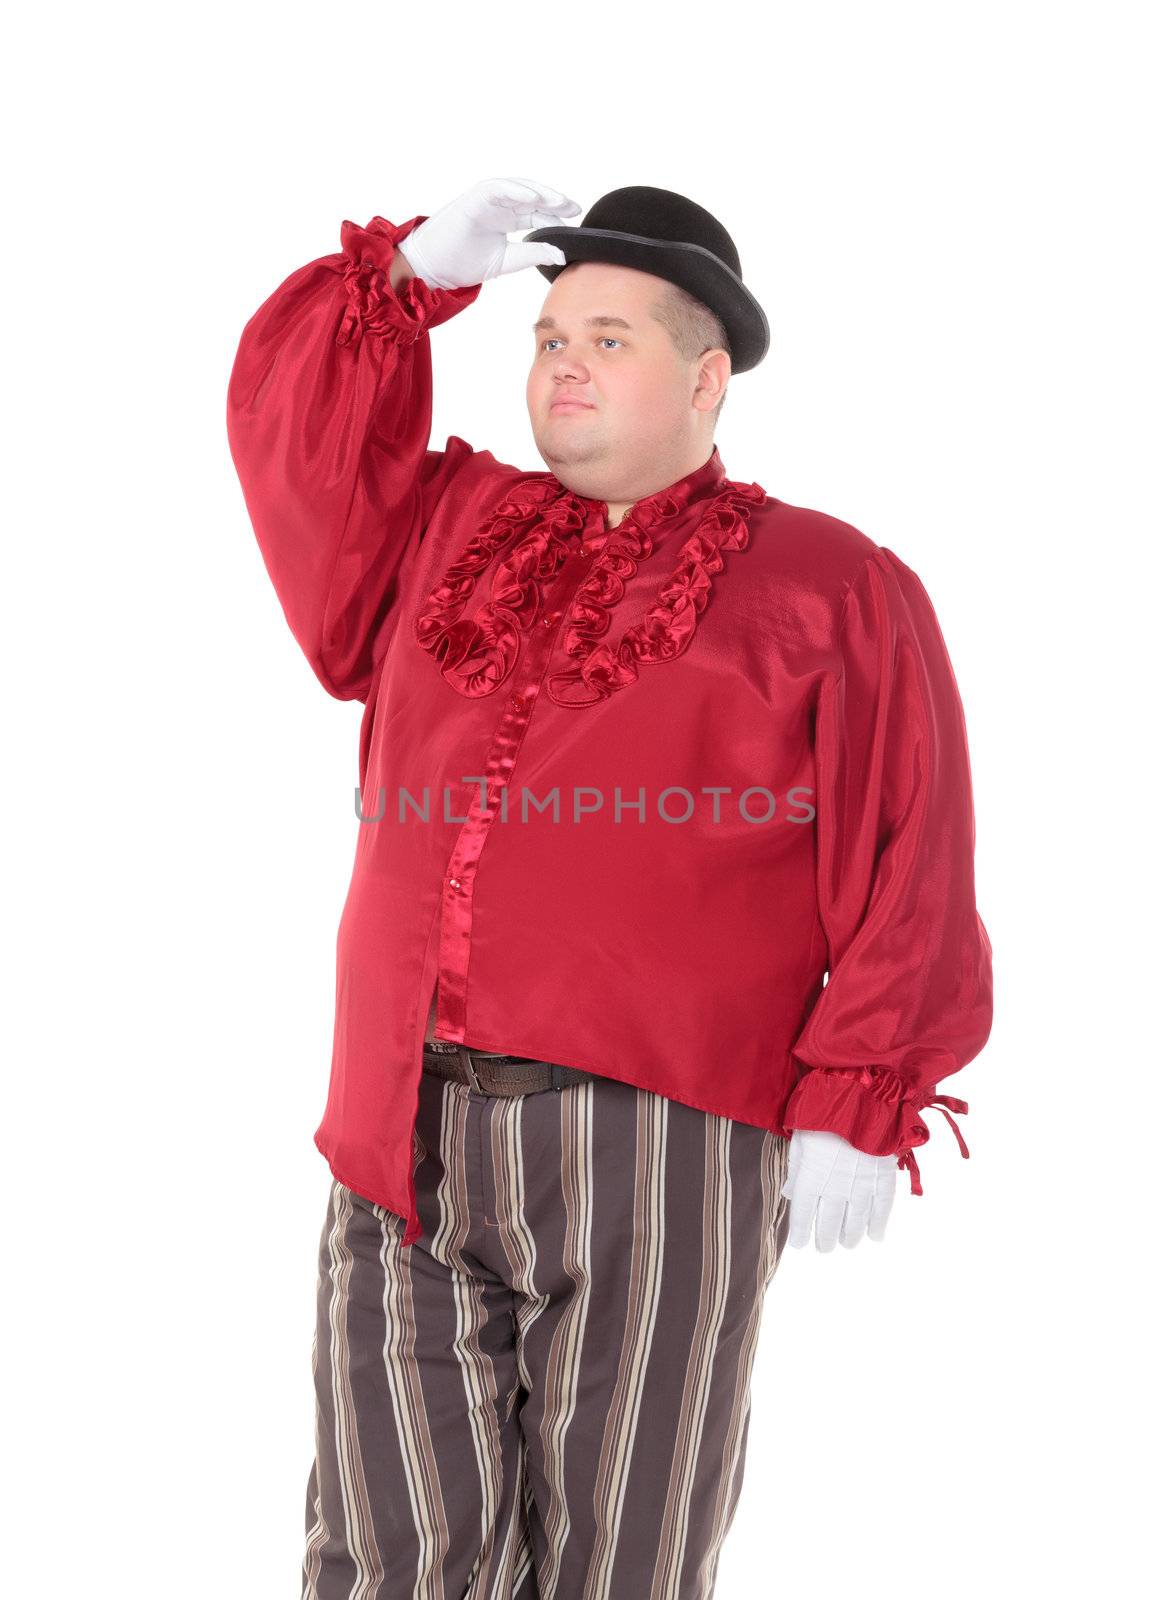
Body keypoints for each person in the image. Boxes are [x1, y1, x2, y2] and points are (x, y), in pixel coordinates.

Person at [226, 177, 992, 1598]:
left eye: (610, 337)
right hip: (403, 1127)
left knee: (620, 1560)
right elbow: (297, 445)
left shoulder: (829, 582)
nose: (562, 361)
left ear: (706, 379)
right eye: (548, 333)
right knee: (382, 1559)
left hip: (661, 1142)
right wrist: (397, 283)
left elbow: (910, 848)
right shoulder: (446, 529)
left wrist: (861, 1088)